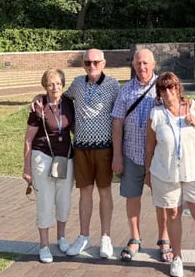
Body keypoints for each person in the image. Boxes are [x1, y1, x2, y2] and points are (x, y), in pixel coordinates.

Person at [145, 71, 195, 277]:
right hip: (166, 174)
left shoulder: (192, 106)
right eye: (163, 88)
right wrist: (148, 173)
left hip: (194, 172)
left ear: (178, 87)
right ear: (159, 92)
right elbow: (150, 148)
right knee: (173, 214)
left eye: (171, 86)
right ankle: (177, 258)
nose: (168, 91)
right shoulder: (156, 114)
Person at [111, 48, 172, 263]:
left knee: (162, 199)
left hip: (159, 157)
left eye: (145, 63)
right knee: (132, 197)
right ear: (133, 65)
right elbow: (117, 123)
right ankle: (135, 238)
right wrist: (117, 154)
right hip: (131, 154)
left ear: (153, 64)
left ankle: (164, 238)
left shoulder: (164, 89)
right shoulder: (125, 90)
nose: (142, 67)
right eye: (138, 63)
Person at [63, 48, 120, 258]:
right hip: (81, 148)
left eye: (96, 62)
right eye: (88, 63)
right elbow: (62, 97)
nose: (92, 66)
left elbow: (119, 117)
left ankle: (106, 237)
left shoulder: (113, 85)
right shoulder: (77, 83)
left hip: (104, 148)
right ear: (83, 65)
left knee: (105, 192)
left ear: (104, 63)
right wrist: (39, 97)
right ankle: (84, 236)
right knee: (84, 192)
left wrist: (118, 152)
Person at [22, 68, 75, 263]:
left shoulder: (68, 103)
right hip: (43, 158)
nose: (55, 87)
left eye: (59, 83)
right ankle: (44, 245)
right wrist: (26, 168)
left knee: (64, 201)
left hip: (65, 159)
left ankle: (61, 237)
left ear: (63, 85)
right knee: (45, 202)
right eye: (51, 84)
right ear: (45, 86)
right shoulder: (39, 106)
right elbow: (28, 139)